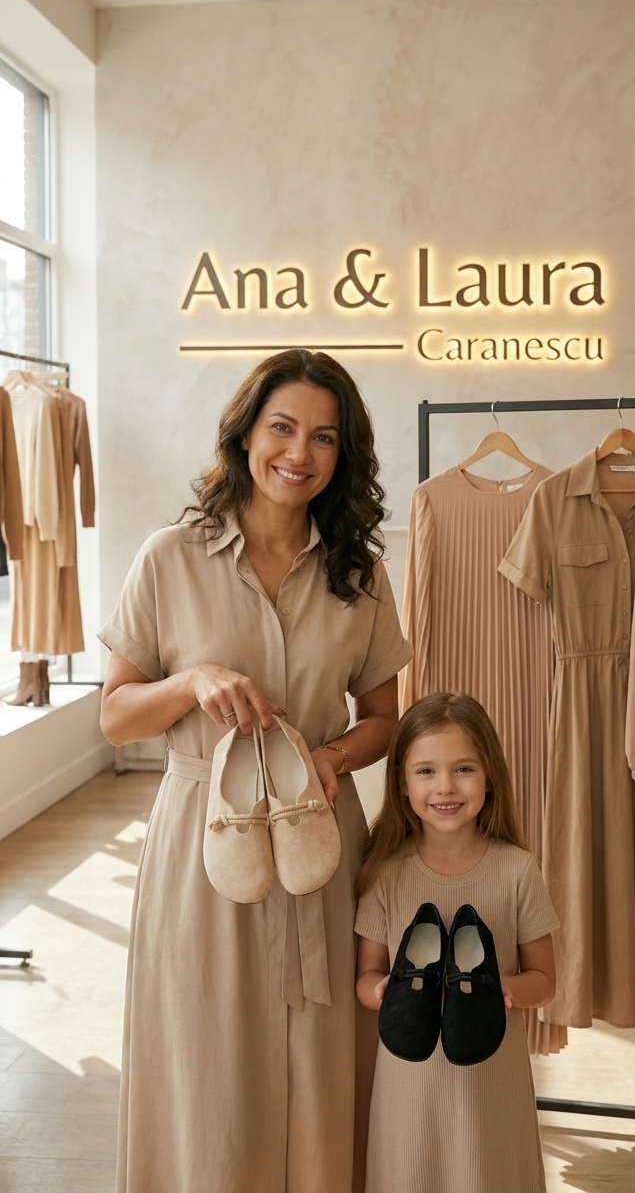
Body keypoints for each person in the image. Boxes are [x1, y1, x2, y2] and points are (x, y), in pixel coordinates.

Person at [99, 349, 411, 1193]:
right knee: (207, 1057)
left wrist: (333, 757)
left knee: (321, 1052)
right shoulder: (169, 557)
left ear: (343, 455)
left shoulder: (359, 573)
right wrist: (189, 682)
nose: (299, 454)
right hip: (202, 845)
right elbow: (116, 715)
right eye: (282, 428)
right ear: (244, 435)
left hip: (320, 840)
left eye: (324, 438)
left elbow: (383, 719)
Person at [355, 692, 559, 1193]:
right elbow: (366, 976)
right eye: (426, 771)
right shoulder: (386, 873)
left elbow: (544, 981)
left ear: (489, 777)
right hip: (409, 1085)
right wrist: (383, 991)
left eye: (464, 769)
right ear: (402, 784)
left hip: (491, 1082)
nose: (445, 786)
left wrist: (494, 989)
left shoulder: (517, 870)